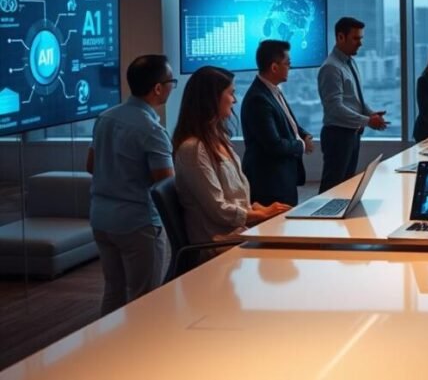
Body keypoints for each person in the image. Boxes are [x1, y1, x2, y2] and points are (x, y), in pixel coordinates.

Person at [87, 54, 176, 315]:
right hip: (138, 223)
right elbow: (166, 184)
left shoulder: (105, 118)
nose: (172, 87)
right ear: (157, 88)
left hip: (101, 218)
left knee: (113, 291)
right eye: (171, 82)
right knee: (145, 298)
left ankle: (107, 340)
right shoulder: (152, 130)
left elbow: (90, 165)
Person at [172, 66, 290, 260]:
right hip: (218, 244)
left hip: (237, 234)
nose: (234, 100)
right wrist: (259, 215)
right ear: (212, 99)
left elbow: (233, 197)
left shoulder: (219, 140)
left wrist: (257, 208)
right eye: (230, 93)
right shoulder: (193, 149)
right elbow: (219, 210)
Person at [318, 16, 388, 193]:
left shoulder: (350, 62)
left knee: (345, 186)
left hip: (351, 133)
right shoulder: (331, 68)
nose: (360, 43)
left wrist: (370, 114)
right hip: (337, 135)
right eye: (356, 38)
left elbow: (355, 100)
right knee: (332, 188)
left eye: (361, 38)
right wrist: (368, 121)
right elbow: (335, 108)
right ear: (340, 37)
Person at [240, 39, 313, 206]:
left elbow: (286, 121)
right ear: (274, 67)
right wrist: (302, 145)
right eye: (287, 63)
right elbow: (274, 145)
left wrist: (302, 134)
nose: (290, 68)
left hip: (282, 179)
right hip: (270, 184)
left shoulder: (272, 91)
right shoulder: (258, 99)